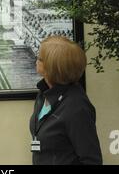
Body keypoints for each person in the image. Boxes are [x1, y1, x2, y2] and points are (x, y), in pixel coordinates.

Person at [29, 36, 102, 165]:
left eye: (40, 59)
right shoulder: (44, 92)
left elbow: (91, 160)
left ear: (53, 67)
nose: (36, 60)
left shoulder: (76, 107)